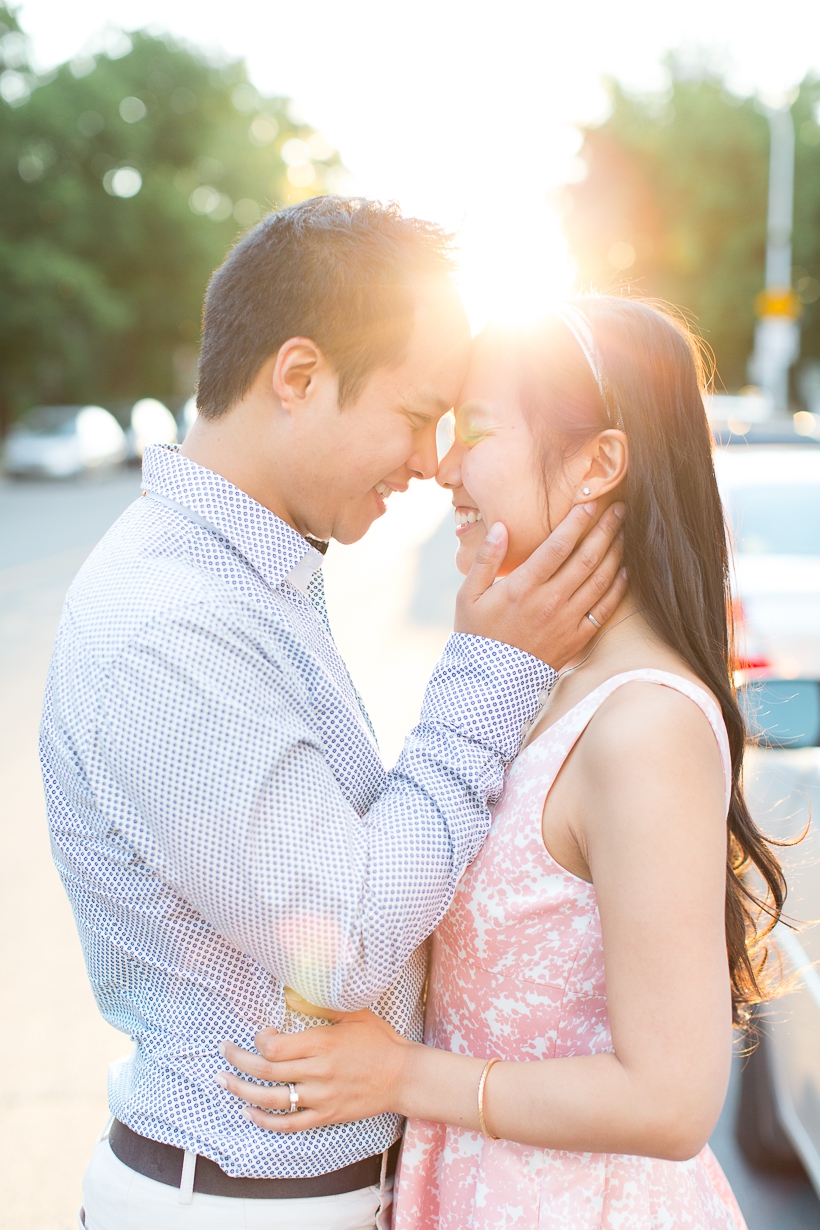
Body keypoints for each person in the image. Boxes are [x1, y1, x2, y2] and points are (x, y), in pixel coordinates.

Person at [40, 199, 627, 1230]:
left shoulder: (246, 578)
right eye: (416, 414)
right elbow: (343, 944)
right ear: (298, 377)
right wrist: (492, 667)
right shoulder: (172, 628)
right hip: (245, 1206)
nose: (431, 460)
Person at [218, 297, 788, 1230]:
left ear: (601, 462)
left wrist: (403, 1076)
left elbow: (673, 1102)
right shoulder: (550, 680)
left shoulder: (647, 724)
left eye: (475, 432)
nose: (443, 468)